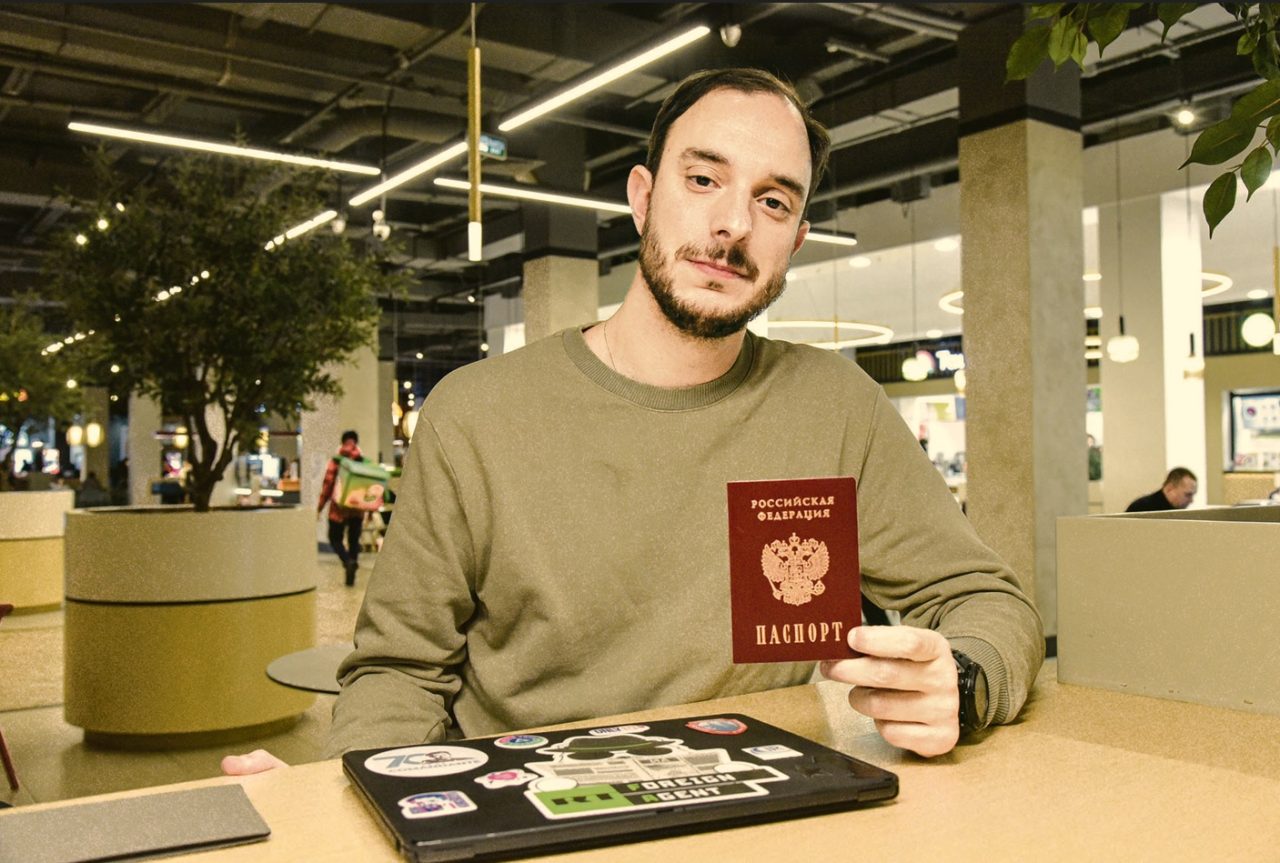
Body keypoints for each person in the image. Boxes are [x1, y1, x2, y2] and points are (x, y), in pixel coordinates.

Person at [224, 67, 1042, 778]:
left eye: (772, 200)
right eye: (704, 179)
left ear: (795, 239)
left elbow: (986, 599)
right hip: (531, 816)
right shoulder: (476, 415)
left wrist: (962, 680)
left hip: (763, 814)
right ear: (643, 197)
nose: (733, 224)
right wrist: (355, 799)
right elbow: (399, 672)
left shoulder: (835, 407)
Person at [317, 430, 366, 586]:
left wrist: (320, 506)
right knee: (353, 541)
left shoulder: (336, 460)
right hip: (357, 508)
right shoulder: (362, 461)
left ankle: (347, 561)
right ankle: (351, 575)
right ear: (356, 442)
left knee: (334, 539)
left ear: (343, 441)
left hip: (338, 508)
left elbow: (328, 485)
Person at [1125, 467, 1197, 512]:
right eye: (1188, 495)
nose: (1191, 501)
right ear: (1170, 488)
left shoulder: (1179, 513)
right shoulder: (1140, 508)